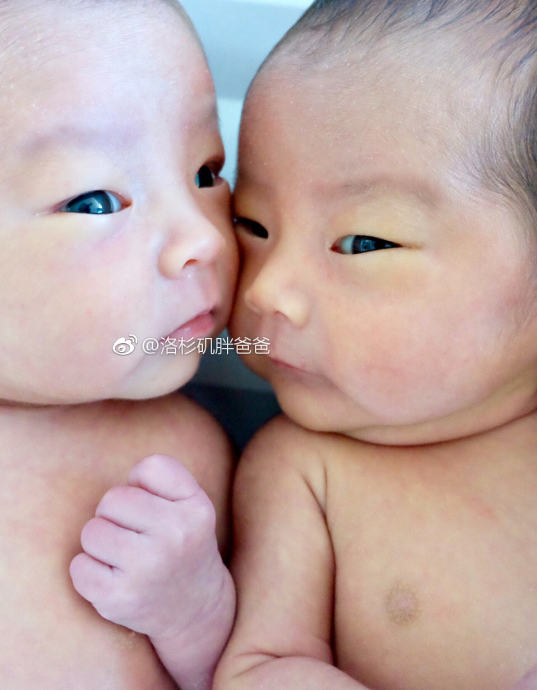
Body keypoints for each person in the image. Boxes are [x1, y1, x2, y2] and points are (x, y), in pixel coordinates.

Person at [0, 0, 237, 687]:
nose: (203, 238)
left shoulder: (177, 465)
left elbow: (257, 670)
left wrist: (196, 613)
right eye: (93, 201)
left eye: (206, 172)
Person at [212, 0, 537, 688]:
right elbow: (259, 668)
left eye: (363, 242)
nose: (268, 290)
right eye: (252, 225)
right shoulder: (305, 471)